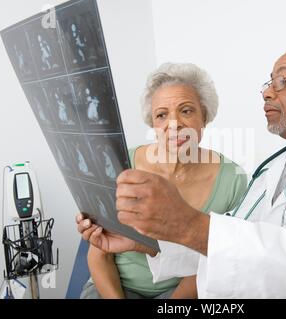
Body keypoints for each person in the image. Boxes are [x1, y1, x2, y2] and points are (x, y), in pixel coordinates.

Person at [77, 43, 286, 298]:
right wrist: (144, 244)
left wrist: (192, 225)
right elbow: (235, 248)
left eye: (283, 82)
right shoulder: (274, 169)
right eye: (267, 84)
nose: (267, 93)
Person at [79, 63, 247, 299]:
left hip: (182, 292)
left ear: (205, 116)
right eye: (161, 115)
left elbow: (211, 262)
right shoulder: (118, 164)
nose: (174, 123)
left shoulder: (232, 180)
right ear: (153, 124)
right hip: (113, 287)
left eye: (186, 111)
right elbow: (99, 255)